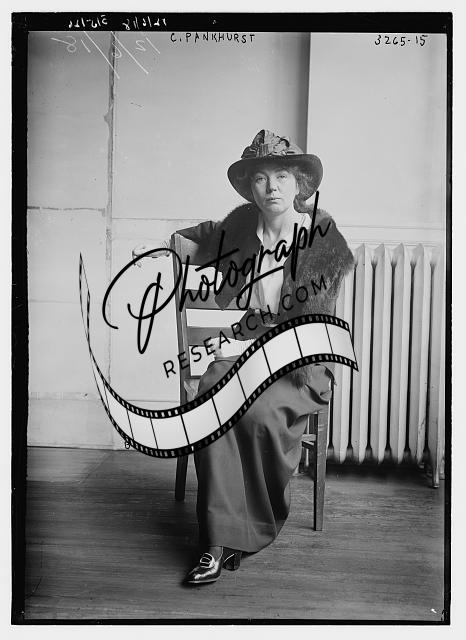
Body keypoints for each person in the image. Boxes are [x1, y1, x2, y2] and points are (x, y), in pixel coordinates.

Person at [133, 129, 354, 585]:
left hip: (299, 363)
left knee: (257, 414)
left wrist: (255, 350)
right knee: (212, 397)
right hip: (242, 352)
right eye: (260, 178)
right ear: (249, 187)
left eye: (281, 177)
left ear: (299, 183)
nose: (271, 187)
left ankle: (246, 527)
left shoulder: (321, 241)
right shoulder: (238, 229)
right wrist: (166, 246)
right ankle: (216, 542)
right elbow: (200, 237)